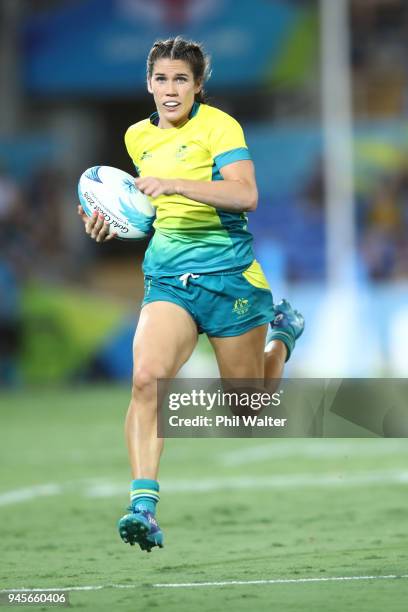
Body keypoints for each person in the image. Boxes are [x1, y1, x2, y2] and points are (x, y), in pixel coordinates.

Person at [77, 37, 304, 553]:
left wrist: (176, 184)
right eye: (161, 79)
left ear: (198, 85)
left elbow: (246, 194)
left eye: (181, 79)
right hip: (168, 281)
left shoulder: (220, 127)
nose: (170, 89)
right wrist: (111, 222)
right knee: (145, 380)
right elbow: (146, 209)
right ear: (148, 83)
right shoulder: (137, 136)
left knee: (248, 413)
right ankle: (143, 506)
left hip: (229, 280)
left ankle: (282, 338)